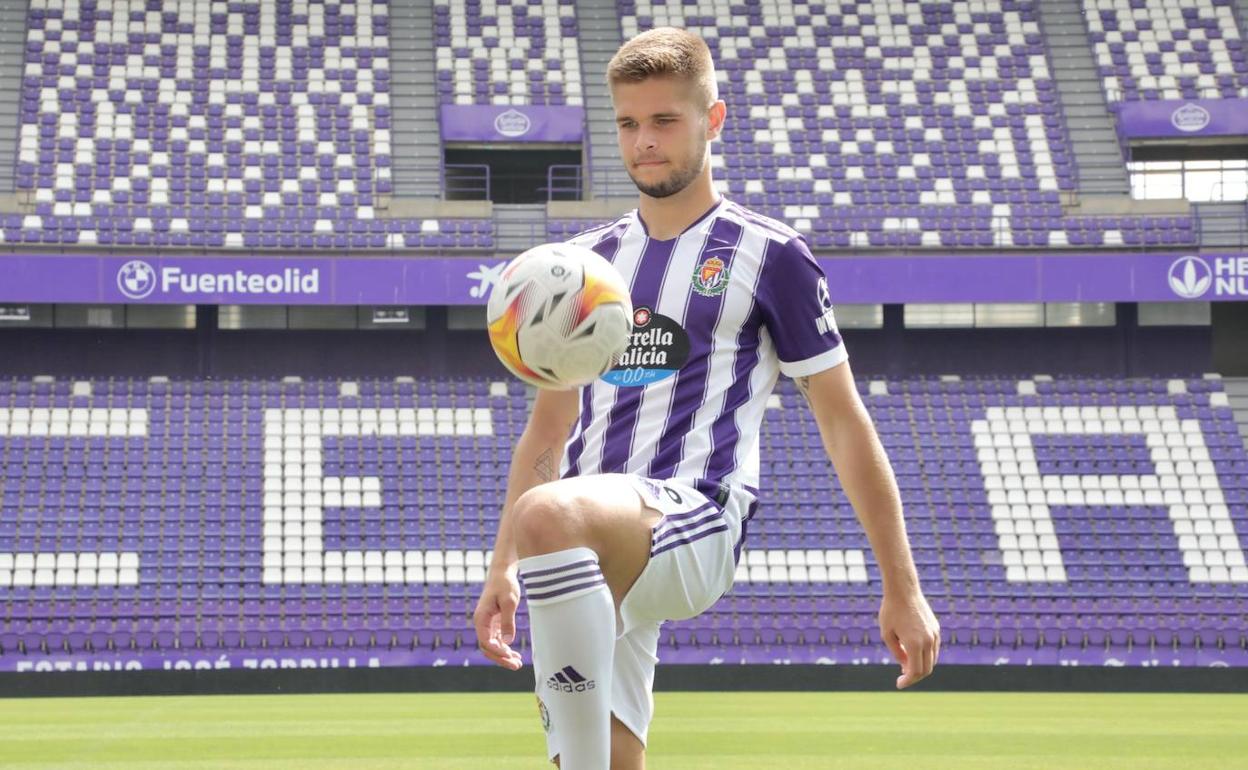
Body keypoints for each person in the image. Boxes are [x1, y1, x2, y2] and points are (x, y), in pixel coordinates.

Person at [472, 26, 940, 770]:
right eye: (628, 123)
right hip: (589, 537)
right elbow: (548, 429)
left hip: (695, 514)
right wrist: (502, 567)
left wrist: (902, 588)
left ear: (712, 120)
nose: (643, 142)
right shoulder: (586, 266)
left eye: (664, 121)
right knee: (600, 760)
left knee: (549, 511)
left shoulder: (771, 255)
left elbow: (844, 422)